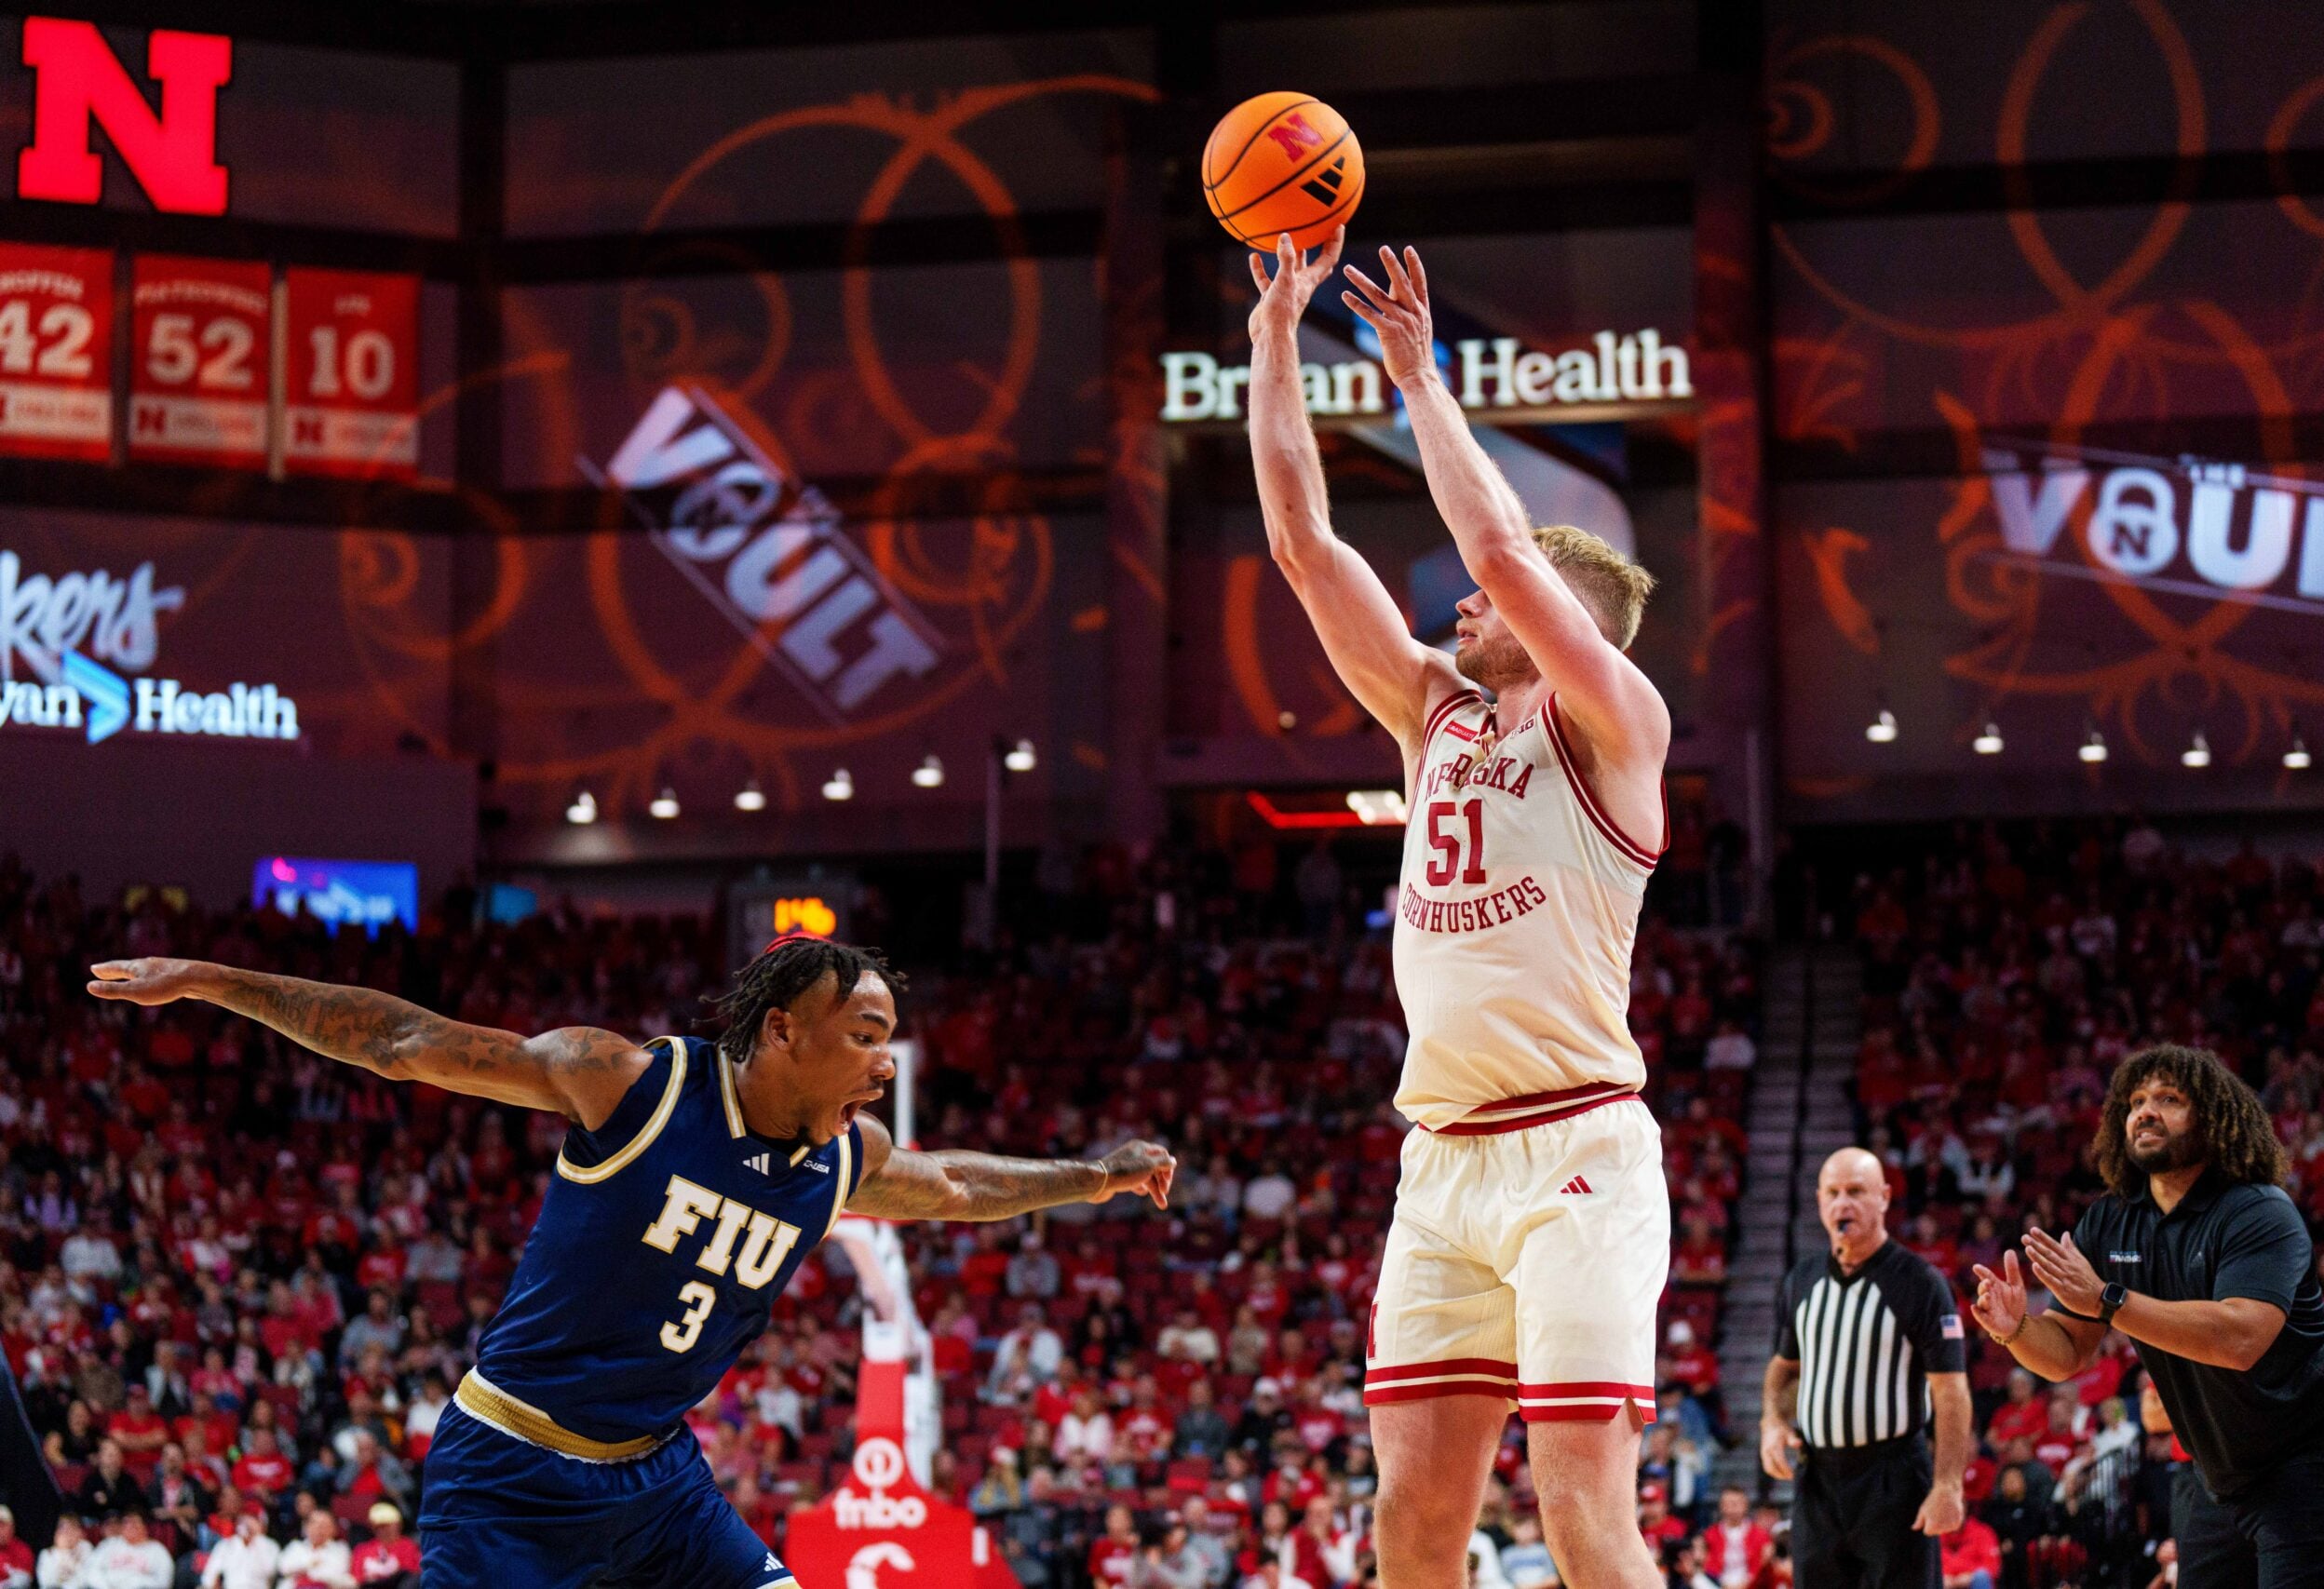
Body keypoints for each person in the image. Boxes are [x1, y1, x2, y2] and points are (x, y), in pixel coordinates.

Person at [90, 933, 1174, 1589]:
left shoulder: (841, 1157)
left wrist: (1090, 1175)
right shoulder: (631, 1085)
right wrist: (208, 980)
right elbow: (401, 1043)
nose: (884, 1062)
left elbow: (954, 1188)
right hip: (511, 1474)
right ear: (786, 1031)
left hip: (659, 1481)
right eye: (864, 1032)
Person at [1247, 228, 1671, 1589]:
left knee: (1583, 1521)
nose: (1465, 598)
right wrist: (1274, 342)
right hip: (1442, 1159)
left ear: (1566, 622)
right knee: (1412, 1527)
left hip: (1578, 1157)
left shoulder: (1614, 720)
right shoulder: (1436, 710)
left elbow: (1494, 534)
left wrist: (1420, 380)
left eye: (1491, 601)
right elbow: (1305, 545)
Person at [1972, 1044, 2324, 1587]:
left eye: (2169, 1098)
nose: (2145, 1110)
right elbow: (2068, 1351)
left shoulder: (2258, 1209)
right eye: (2136, 1100)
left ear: (2210, 1118)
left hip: (2318, 1453)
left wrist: (2108, 1299)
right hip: (2220, 1470)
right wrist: (2017, 1331)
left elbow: (2240, 1339)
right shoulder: (2112, 1219)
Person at [1761, 1149, 1971, 1588]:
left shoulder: (1919, 1282)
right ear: (1818, 1201)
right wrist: (1773, 1422)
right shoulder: (1801, 1280)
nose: (1843, 1204)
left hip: (1892, 1478)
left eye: (1856, 1192)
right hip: (1817, 1478)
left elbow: (1951, 1392)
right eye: (1833, 1194)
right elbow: (1784, 1370)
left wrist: (1948, 1484)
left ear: (1885, 1197)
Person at [82, 1514, 172, 1589]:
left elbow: (164, 1582)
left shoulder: (157, 1549)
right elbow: (91, 1570)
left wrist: (135, 1582)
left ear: (144, 1528)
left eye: (134, 1524)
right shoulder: (109, 1543)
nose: (129, 1526)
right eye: (126, 1523)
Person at [199, 1509, 281, 1589]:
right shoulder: (226, 1545)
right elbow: (209, 1576)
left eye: (253, 1519)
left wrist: (256, 1539)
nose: (248, 1523)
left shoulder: (270, 1545)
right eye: (244, 1520)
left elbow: (269, 1570)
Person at [273, 1509, 353, 1589]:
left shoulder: (340, 1549)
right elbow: (283, 1568)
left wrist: (303, 1572)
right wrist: (310, 1564)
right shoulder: (296, 1546)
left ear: (334, 1529)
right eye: (314, 1523)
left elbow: (337, 1574)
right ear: (306, 1526)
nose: (318, 1529)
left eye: (324, 1525)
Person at [34, 1516, 88, 1589]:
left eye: (72, 1529)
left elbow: (86, 1576)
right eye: (63, 1530)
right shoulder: (47, 1554)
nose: (68, 1534)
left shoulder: (85, 1547)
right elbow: (46, 1582)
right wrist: (62, 1552)